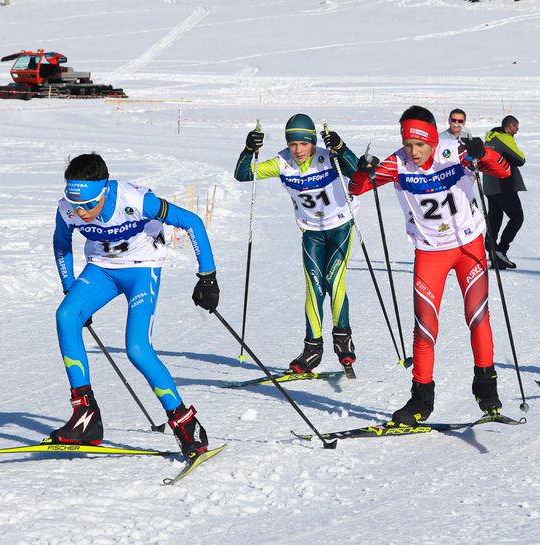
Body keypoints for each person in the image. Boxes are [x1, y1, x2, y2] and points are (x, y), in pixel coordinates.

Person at [349, 105, 512, 426]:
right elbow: (357, 189)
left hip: (469, 248)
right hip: (429, 252)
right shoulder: (396, 163)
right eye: (408, 144)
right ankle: (421, 398)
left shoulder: (455, 152)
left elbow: (503, 171)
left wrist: (484, 155)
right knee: (424, 328)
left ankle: (486, 386)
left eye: (420, 145)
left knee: (477, 317)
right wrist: (362, 170)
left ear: (432, 141)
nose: (414, 152)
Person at [52, 153, 218, 457]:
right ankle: (85, 416)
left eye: (88, 205)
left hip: (143, 268)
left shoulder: (137, 200)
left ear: (104, 192)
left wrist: (207, 275)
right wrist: (70, 289)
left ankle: (186, 424)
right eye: (76, 204)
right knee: (66, 315)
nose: (81, 212)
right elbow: (61, 244)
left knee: (137, 349)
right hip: (101, 268)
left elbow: (191, 222)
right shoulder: (68, 209)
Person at [233, 114, 360, 373]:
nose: (298, 150)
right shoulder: (283, 163)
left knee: (334, 281)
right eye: (293, 144)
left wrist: (341, 147)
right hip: (311, 231)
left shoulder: (328, 157)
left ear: (312, 141)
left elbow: (358, 173)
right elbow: (244, 174)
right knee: (314, 287)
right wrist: (249, 149)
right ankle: (312, 349)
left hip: (340, 226)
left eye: (303, 144)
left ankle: (343, 340)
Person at [482, 115, 526, 269]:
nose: (517, 132)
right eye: (516, 128)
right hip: (503, 185)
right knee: (517, 217)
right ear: (510, 126)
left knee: (495, 220)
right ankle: (501, 250)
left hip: (490, 185)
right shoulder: (504, 138)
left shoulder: (489, 138)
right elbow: (520, 159)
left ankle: (493, 255)